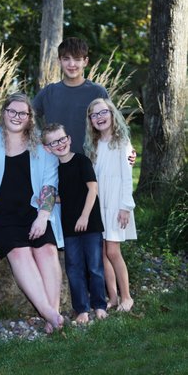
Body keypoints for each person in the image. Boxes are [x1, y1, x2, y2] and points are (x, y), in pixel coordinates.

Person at [0, 92, 64, 333]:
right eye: (11, 111)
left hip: (33, 213)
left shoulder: (41, 147)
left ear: (30, 117)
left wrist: (43, 217)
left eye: (22, 113)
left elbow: (49, 184)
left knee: (47, 249)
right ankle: (50, 314)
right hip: (1, 216)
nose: (16, 116)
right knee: (20, 252)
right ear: (3, 113)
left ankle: (51, 315)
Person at [42, 123, 107, 324]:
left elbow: (92, 189)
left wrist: (85, 216)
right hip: (69, 226)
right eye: (53, 142)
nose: (59, 144)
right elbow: (65, 196)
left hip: (90, 222)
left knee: (95, 266)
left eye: (62, 139)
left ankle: (99, 305)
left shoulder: (81, 161)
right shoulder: (54, 169)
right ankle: (81, 309)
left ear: (69, 139)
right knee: (74, 267)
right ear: (47, 148)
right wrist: (46, 201)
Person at [84, 98, 137, 312]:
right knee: (103, 252)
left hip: (116, 203)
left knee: (113, 251)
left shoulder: (121, 142)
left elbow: (126, 177)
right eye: (94, 115)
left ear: (112, 113)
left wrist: (126, 206)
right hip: (100, 203)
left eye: (103, 112)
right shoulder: (94, 145)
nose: (100, 117)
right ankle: (113, 297)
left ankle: (127, 297)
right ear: (90, 121)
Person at [33, 37, 109, 154]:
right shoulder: (48, 92)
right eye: (66, 58)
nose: (72, 64)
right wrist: (39, 136)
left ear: (85, 61)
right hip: (54, 163)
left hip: (89, 162)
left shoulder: (98, 92)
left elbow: (113, 127)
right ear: (59, 61)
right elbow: (27, 117)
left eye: (77, 59)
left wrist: (127, 151)